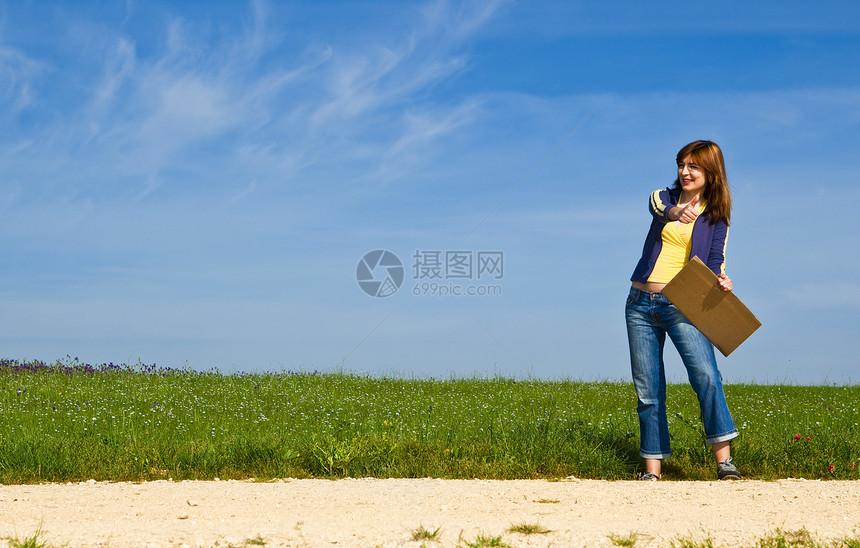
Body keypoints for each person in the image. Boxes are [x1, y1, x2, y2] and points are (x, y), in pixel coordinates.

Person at [626, 140, 741, 481]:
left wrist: (723, 281)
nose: (685, 172)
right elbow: (660, 209)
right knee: (648, 388)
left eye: (694, 166)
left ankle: (724, 463)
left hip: (683, 305)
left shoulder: (717, 217)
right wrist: (678, 212)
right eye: (682, 164)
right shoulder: (663, 197)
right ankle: (653, 470)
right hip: (639, 305)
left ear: (710, 172)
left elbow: (714, 262)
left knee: (706, 376)